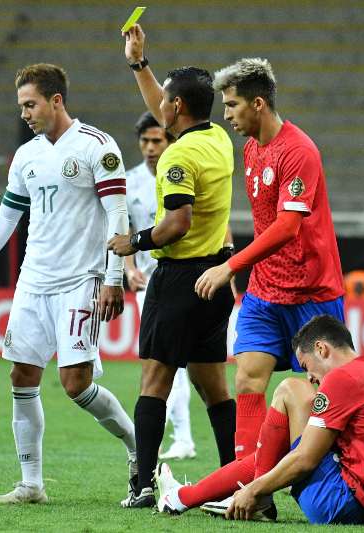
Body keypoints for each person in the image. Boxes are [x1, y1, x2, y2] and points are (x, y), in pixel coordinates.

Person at [0, 63, 136, 504]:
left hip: (81, 281)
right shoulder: (27, 156)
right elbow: (6, 218)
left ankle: (138, 448)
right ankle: (31, 484)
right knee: (22, 374)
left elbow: (118, 216)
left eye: (30, 104)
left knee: (75, 386)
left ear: (56, 101)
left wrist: (113, 277)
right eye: (20, 106)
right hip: (33, 282)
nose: (24, 114)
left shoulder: (97, 146)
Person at [108, 25, 237, 508]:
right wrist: (139, 63)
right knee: (214, 387)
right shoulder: (218, 137)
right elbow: (168, 99)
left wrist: (133, 242)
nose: (160, 104)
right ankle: (235, 478)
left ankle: (142, 483)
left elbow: (177, 223)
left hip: (180, 277)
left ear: (176, 110)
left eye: (167, 100)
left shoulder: (176, 158)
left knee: (154, 381)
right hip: (216, 277)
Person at [192, 57, 345, 462]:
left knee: (320, 391)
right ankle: (249, 482)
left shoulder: (299, 151)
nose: (225, 115)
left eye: (231, 105)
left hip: (312, 291)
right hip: (265, 291)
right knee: (246, 379)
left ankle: (321, 476)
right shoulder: (251, 150)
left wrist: (231, 264)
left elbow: (287, 226)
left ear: (257, 104)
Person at [155, 315, 364, 525]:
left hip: (341, 504)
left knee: (290, 390)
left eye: (306, 366)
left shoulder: (341, 379)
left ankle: (253, 499)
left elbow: (304, 461)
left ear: (321, 349)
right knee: (274, 452)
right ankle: (181, 497)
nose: (310, 378)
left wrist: (254, 489)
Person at [125, 111, 197, 461]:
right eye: (145, 141)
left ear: (170, 141)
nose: (151, 148)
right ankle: (181, 437)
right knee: (167, 362)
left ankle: (179, 436)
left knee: (171, 362)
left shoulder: (181, 175)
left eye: (158, 140)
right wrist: (127, 269)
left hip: (181, 276)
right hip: (147, 284)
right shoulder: (130, 181)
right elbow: (122, 229)